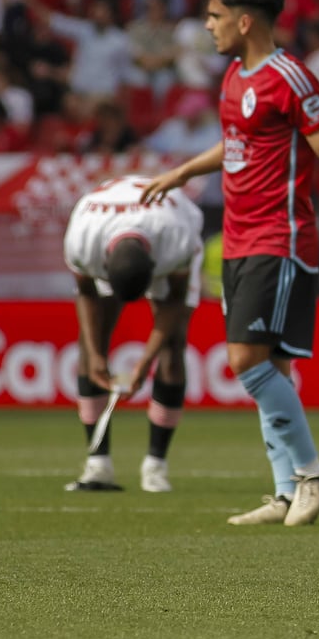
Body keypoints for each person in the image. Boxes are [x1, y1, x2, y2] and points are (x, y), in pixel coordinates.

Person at [141, 0, 319, 525]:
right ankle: (284, 490)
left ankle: (312, 474)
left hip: (280, 237)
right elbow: (235, 142)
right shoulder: (233, 76)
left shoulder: (290, 78)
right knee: (271, 366)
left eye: (215, 16)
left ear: (244, 20)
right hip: (238, 237)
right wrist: (183, 171)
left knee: (246, 360)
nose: (208, 26)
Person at [62, 175, 203, 493]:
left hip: (170, 218)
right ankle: (98, 464)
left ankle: (156, 465)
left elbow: (173, 302)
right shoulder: (83, 237)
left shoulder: (176, 237)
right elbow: (86, 293)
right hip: (109, 224)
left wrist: (144, 363)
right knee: (90, 345)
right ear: (104, 266)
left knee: (174, 345)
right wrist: (98, 356)